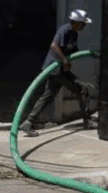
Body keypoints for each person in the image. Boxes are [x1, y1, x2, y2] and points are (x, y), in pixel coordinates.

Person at [19, 9, 94, 137]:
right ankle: (87, 120)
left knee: (48, 96)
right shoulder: (65, 30)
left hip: (59, 70)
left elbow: (73, 51)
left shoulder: (74, 34)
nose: (84, 26)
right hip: (54, 69)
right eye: (83, 23)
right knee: (82, 88)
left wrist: (87, 54)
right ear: (77, 22)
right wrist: (64, 60)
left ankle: (28, 122)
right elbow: (54, 46)